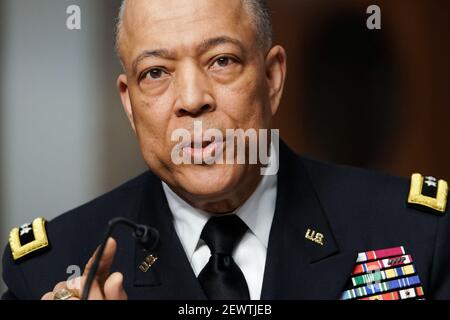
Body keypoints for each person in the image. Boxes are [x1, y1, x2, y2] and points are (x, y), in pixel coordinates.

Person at [2, 0, 448, 300]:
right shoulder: (54, 269)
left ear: (272, 78)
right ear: (129, 104)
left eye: (221, 61)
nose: (192, 98)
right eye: (156, 72)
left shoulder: (414, 234)